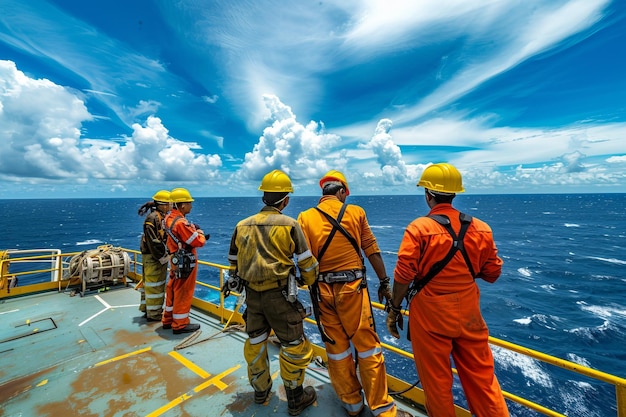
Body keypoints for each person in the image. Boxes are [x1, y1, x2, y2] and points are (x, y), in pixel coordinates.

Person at [386, 163, 509, 417]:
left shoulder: (419, 229)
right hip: (469, 314)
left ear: (428, 195)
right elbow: (493, 273)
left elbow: (403, 275)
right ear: (454, 194)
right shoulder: (482, 228)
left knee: (437, 384)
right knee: (483, 382)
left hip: (430, 317)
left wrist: (394, 308)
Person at [297, 170, 411, 417]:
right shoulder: (356, 212)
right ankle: (382, 409)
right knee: (368, 349)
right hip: (353, 291)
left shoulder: (304, 217)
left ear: (323, 192)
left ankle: (352, 404)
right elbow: (371, 249)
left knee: (337, 350)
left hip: (322, 294)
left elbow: (304, 261)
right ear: (341, 192)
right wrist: (384, 283)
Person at [227, 169, 319, 416]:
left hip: (252, 298)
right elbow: (306, 262)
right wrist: (307, 280)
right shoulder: (290, 225)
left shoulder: (242, 225)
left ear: (263, 198)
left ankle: (260, 391)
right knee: (293, 345)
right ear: (285, 200)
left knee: (256, 342)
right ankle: (295, 398)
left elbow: (232, 263)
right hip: (280, 297)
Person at [162, 188, 207, 334]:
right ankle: (180, 324)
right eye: (189, 203)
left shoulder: (168, 218)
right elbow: (198, 241)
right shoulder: (181, 223)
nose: (191, 206)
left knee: (172, 288)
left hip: (174, 259)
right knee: (183, 290)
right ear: (182, 205)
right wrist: (199, 232)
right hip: (185, 261)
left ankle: (168, 319)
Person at [137, 190, 172, 321]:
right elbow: (154, 241)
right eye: (169, 204)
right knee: (155, 286)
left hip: (152, 257)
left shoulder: (159, 216)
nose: (171, 206)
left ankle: (147, 309)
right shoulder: (153, 218)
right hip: (154, 258)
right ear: (163, 205)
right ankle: (154, 314)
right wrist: (163, 257)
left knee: (150, 285)